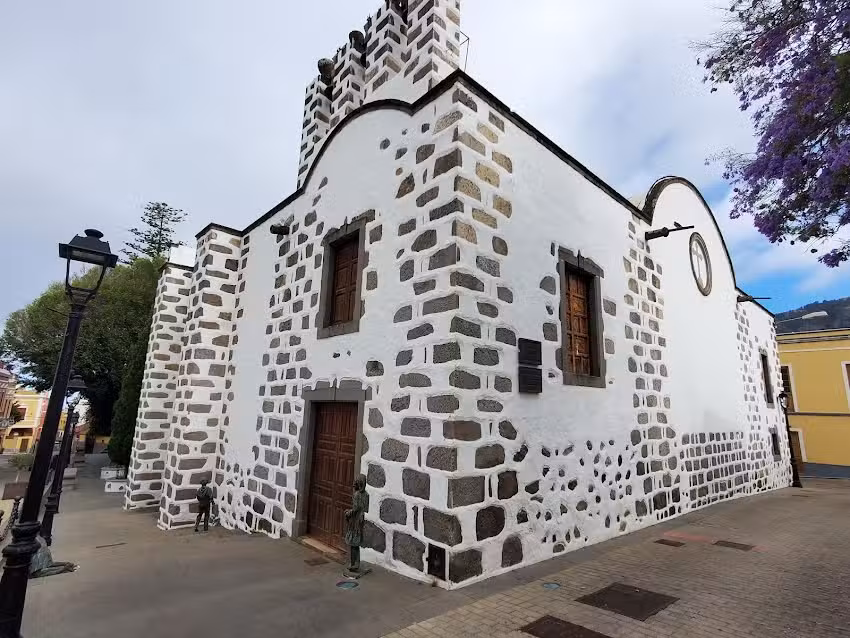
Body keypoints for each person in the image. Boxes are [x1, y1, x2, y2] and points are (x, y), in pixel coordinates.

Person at [344, 474, 370, 577]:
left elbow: (355, 509)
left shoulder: (356, 495)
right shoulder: (366, 495)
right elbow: (365, 508)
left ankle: (353, 563)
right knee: (356, 543)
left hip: (355, 520)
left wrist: (348, 513)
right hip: (361, 519)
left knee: (352, 542)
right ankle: (356, 563)